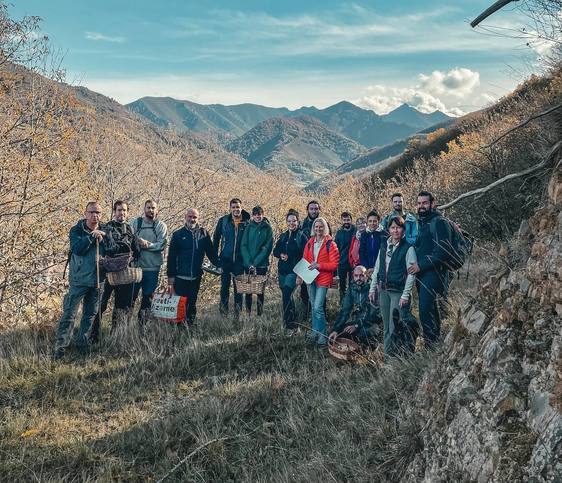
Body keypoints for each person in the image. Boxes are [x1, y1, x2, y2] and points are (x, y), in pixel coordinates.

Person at [53, 201, 116, 359]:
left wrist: (104, 238)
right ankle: (60, 348)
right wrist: (90, 237)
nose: (95, 215)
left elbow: (114, 249)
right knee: (69, 314)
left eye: (98, 213)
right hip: (79, 280)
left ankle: (82, 345)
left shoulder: (105, 230)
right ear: (85, 213)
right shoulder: (76, 230)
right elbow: (77, 249)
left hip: (98, 280)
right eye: (92, 212)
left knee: (90, 315)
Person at [407, 191, 452, 347]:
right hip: (423, 275)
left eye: (424, 203)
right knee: (429, 310)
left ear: (433, 203)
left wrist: (420, 265)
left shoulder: (439, 222)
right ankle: (433, 343)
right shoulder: (424, 223)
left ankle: (431, 346)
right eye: (419, 203)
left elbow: (443, 252)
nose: (421, 206)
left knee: (426, 310)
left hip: (435, 273)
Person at [91, 200, 140, 341]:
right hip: (108, 273)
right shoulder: (107, 227)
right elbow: (111, 247)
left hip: (124, 273)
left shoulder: (130, 229)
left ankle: (115, 336)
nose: (122, 213)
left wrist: (134, 252)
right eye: (119, 210)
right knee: (101, 304)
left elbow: (136, 251)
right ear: (114, 212)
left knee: (121, 306)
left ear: (127, 212)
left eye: (124, 210)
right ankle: (94, 337)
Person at [369, 216, 417, 357]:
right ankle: (388, 357)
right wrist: (372, 288)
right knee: (386, 327)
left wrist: (405, 295)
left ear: (403, 230)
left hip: (398, 292)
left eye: (398, 227)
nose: (395, 230)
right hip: (383, 290)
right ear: (388, 229)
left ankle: (399, 357)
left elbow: (411, 274)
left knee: (395, 326)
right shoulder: (384, 246)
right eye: (393, 227)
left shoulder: (408, 248)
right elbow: (377, 268)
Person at [167, 208, 218, 326]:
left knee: (192, 303)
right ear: (185, 217)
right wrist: (170, 277)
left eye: (194, 217)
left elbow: (211, 253)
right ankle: (178, 327)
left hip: (196, 277)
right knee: (180, 303)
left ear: (198, 218)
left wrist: (220, 265)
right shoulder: (178, 234)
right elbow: (171, 257)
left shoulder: (204, 233)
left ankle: (190, 325)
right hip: (180, 277)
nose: (192, 219)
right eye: (190, 216)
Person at [298, 217, 340, 346]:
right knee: (313, 307)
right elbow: (304, 259)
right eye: (316, 227)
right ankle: (314, 333)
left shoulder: (330, 244)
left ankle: (322, 336)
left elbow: (334, 264)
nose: (318, 229)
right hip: (310, 278)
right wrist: (300, 275)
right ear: (313, 228)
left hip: (323, 278)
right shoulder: (310, 242)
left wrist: (319, 265)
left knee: (318, 307)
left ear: (325, 228)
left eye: (321, 226)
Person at [132, 199, 168, 325]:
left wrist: (147, 245)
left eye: (153, 208)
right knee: (130, 298)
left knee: (147, 298)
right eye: (148, 207)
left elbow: (161, 245)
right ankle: (124, 327)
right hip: (135, 269)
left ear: (157, 210)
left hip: (152, 268)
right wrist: (137, 242)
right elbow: (129, 238)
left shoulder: (160, 225)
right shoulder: (136, 223)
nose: (151, 210)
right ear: (144, 209)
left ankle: (142, 326)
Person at [213, 198, 250, 317]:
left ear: (241, 207)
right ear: (230, 208)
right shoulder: (223, 221)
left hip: (240, 261)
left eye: (238, 207)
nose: (236, 209)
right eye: (233, 207)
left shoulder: (247, 222)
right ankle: (223, 314)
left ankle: (237, 315)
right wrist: (215, 259)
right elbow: (216, 239)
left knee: (239, 289)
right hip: (225, 260)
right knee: (224, 288)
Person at [273, 209, 308, 335]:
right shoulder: (283, 236)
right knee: (287, 297)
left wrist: (300, 275)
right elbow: (275, 251)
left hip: (294, 271)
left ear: (298, 222)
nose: (291, 223)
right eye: (289, 221)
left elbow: (306, 257)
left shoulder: (302, 236)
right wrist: (281, 254)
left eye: (294, 221)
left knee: (287, 293)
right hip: (282, 271)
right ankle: (293, 322)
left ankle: (289, 326)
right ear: (286, 222)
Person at [329, 265, 381, 345]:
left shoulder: (373, 289)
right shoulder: (352, 288)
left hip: (370, 323)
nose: (358, 278)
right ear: (353, 276)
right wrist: (336, 329)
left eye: (361, 275)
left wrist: (356, 326)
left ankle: (366, 349)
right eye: (356, 276)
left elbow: (375, 315)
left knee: (363, 333)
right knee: (336, 331)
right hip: (357, 320)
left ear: (366, 276)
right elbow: (345, 311)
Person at [240, 206, 274, 316]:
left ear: (263, 214)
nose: (257, 216)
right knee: (248, 290)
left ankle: (259, 314)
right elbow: (243, 245)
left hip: (261, 265)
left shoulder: (267, 228)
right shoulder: (248, 227)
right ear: (253, 215)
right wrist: (249, 263)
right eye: (255, 214)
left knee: (260, 291)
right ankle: (248, 314)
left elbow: (267, 248)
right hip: (247, 264)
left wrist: (255, 263)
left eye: (259, 214)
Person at [334, 212, 357, 304]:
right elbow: (336, 248)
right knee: (342, 284)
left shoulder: (355, 231)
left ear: (351, 220)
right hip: (342, 262)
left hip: (353, 263)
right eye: (344, 220)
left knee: (353, 283)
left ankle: (353, 301)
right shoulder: (339, 233)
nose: (346, 222)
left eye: (348, 220)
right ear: (342, 221)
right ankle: (343, 302)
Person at [359, 211, 384, 276]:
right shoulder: (364, 235)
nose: (372, 223)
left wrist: (376, 268)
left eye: (374, 221)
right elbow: (361, 252)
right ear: (367, 222)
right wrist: (367, 268)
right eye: (370, 221)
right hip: (367, 270)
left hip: (381, 269)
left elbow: (385, 254)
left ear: (378, 221)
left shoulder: (384, 235)